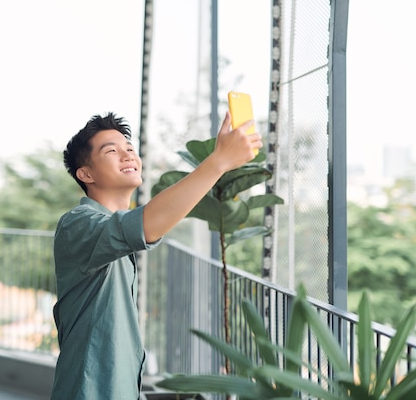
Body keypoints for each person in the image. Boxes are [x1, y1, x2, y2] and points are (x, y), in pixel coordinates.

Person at [50, 111, 262, 400]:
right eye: (111, 151)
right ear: (85, 174)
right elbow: (146, 224)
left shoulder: (112, 239)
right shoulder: (78, 224)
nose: (127, 156)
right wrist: (219, 162)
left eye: (129, 149)